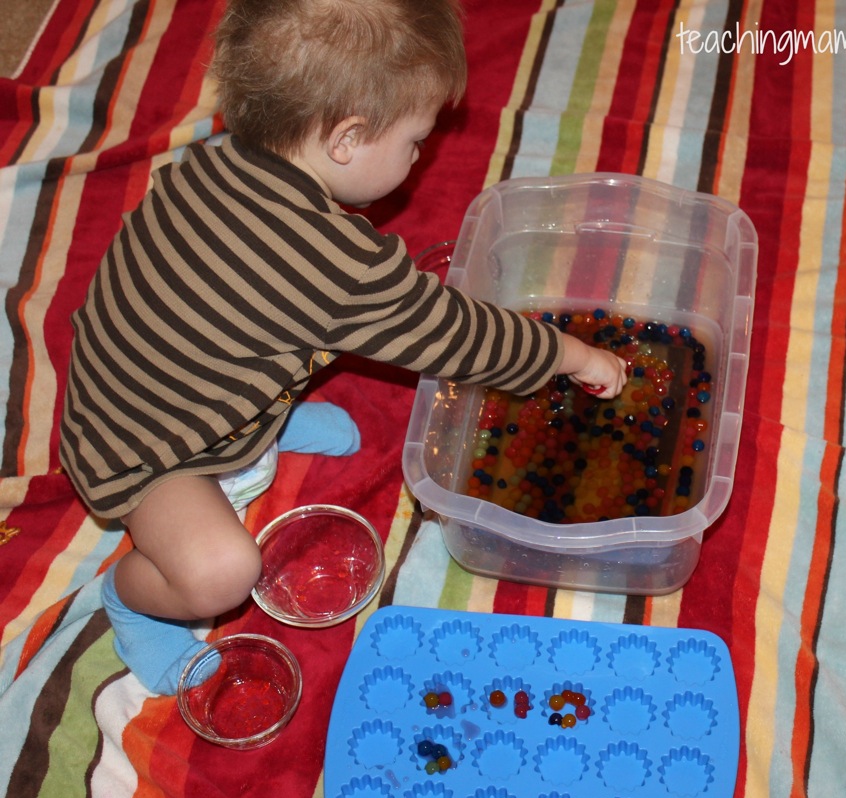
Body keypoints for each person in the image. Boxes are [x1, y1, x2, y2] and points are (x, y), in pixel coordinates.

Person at [59, 0, 627, 695]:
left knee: (258, 351)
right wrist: (575, 356)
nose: (422, 156)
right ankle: (130, 600)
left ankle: (258, 426)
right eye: (417, 140)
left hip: (151, 376)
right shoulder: (337, 267)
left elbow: (238, 321)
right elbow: (461, 337)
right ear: (347, 139)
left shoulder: (220, 162)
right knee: (221, 575)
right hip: (144, 447)